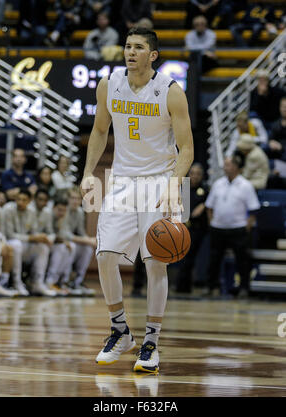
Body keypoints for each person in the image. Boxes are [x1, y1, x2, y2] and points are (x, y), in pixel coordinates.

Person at [80, 27, 193, 373]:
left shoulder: (171, 92)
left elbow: (187, 148)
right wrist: (88, 171)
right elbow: (100, 130)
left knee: (156, 261)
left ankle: (151, 342)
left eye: (139, 47)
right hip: (123, 179)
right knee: (105, 255)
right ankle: (120, 330)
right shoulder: (109, 84)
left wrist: (176, 183)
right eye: (128, 46)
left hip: (162, 180)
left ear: (152, 55)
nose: (131, 52)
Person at [204, 155, 260, 298]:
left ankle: (244, 288)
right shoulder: (218, 183)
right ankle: (212, 287)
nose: (225, 167)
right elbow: (209, 206)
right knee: (214, 260)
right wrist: (211, 223)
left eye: (228, 164)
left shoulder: (246, 185)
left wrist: (247, 227)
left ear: (235, 166)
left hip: (238, 229)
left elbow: (253, 210)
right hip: (218, 228)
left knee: (242, 261)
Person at [3, 189, 56, 296]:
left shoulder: (31, 211)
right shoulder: (8, 209)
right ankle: (17, 282)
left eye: (24, 200)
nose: (20, 202)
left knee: (42, 247)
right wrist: (31, 238)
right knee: (16, 244)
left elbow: (34, 231)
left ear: (29, 201)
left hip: (24, 244)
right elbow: (9, 235)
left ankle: (37, 283)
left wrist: (41, 238)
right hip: (9, 244)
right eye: (18, 199)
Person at [174, 163, 209, 293]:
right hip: (181, 227)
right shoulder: (183, 188)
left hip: (197, 229)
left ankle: (184, 287)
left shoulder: (205, 190)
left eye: (198, 174)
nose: (195, 176)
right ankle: (180, 287)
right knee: (182, 258)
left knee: (190, 259)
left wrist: (204, 205)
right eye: (192, 173)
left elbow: (211, 203)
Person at [66, 187, 97, 295]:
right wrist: (88, 241)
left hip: (70, 242)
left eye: (78, 199)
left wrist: (89, 239)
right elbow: (65, 235)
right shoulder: (62, 209)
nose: (75, 201)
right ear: (67, 199)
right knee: (72, 246)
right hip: (58, 242)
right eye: (72, 198)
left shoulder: (79, 212)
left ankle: (77, 282)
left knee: (87, 249)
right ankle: (64, 282)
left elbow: (81, 232)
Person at [46, 199, 76, 295]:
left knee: (71, 246)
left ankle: (62, 281)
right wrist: (63, 241)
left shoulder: (63, 218)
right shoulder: (48, 214)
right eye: (59, 210)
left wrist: (64, 240)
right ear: (53, 208)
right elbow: (50, 234)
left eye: (64, 210)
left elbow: (64, 234)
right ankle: (50, 281)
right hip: (44, 244)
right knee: (61, 247)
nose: (61, 212)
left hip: (54, 244)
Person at [267, 97, 286, 188]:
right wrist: (271, 142)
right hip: (277, 161)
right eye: (283, 106)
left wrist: (281, 147)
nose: (284, 109)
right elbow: (270, 139)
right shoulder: (276, 124)